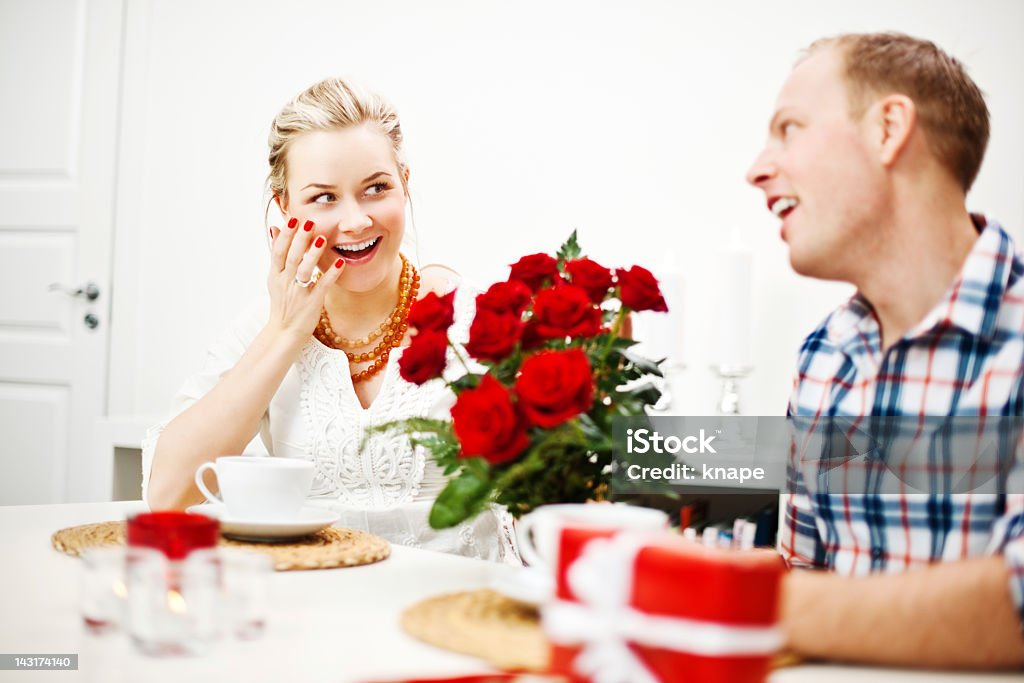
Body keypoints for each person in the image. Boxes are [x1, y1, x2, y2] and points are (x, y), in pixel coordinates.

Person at [142, 77, 516, 562]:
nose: (356, 221)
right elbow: (168, 493)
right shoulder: (262, 326)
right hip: (316, 611)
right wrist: (285, 333)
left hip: (457, 616)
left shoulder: (476, 317)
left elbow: (620, 467)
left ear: (405, 183)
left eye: (376, 188)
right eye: (324, 197)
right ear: (284, 207)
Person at [746, 33, 1024, 668]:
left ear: (888, 129)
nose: (757, 168)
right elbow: (807, 578)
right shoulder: (826, 358)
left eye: (790, 129)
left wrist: (720, 600)